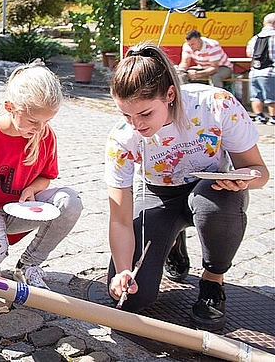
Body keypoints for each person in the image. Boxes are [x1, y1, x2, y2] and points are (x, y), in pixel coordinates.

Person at [104, 42, 268, 331]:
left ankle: (212, 282)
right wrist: (124, 269)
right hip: (157, 193)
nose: (135, 126)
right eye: (126, 116)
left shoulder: (215, 104)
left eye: (144, 114)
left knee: (214, 203)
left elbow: (260, 171)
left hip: (211, 189)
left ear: (170, 94)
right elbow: (119, 218)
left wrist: (242, 179)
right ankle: (172, 241)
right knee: (131, 298)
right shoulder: (122, 139)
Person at [0, 61, 83, 289]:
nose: (41, 127)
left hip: (20, 209)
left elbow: (46, 176)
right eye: (34, 121)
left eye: (47, 121)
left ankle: (29, 265)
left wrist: (32, 189)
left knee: (70, 201)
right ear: (10, 106)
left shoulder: (44, 135)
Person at [246, 12, 275, 124]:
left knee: (256, 96)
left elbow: (249, 53)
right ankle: (273, 118)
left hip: (255, 72)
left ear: (264, 23)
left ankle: (259, 117)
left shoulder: (255, 38)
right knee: (272, 97)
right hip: (270, 71)